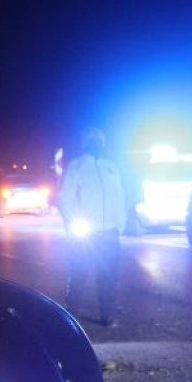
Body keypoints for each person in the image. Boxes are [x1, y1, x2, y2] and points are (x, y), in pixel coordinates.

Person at [58, 126, 125, 327]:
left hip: (110, 232)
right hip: (86, 233)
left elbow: (120, 196)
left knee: (108, 277)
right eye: (92, 139)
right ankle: (70, 320)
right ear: (84, 143)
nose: (96, 142)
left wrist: (120, 224)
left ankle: (107, 316)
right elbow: (65, 199)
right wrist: (72, 226)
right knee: (79, 276)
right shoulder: (76, 167)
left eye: (99, 139)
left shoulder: (111, 167)